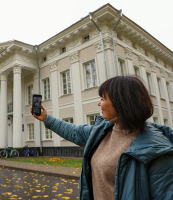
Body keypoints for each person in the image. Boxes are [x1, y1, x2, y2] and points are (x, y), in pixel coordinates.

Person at [32, 76, 173, 200]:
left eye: (103, 98)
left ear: (122, 102)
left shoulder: (156, 150)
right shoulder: (102, 131)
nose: (99, 103)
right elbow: (74, 132)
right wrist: (46, 119)